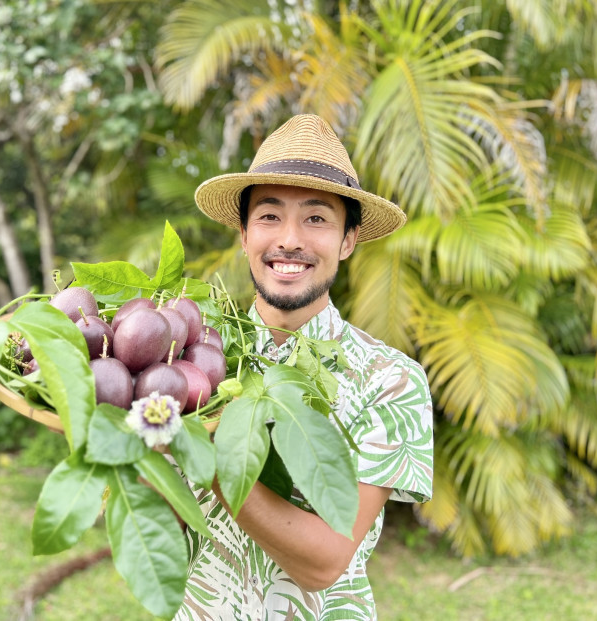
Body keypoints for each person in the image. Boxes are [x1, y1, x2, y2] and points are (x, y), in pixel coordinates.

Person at [174, 113, 434, 620]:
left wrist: (206, 454)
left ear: (348, 241)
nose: (289, 239)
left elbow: (325, 562)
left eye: (316, 218)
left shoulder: (390, 380)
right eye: (269, 216)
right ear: (244, 235)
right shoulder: (195, 355)